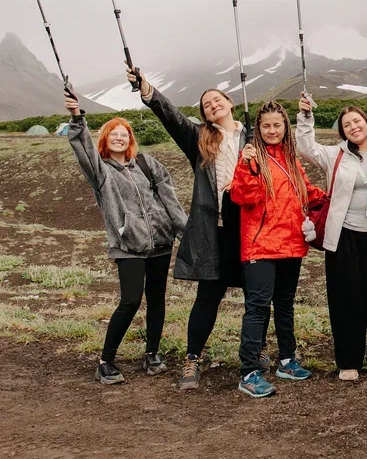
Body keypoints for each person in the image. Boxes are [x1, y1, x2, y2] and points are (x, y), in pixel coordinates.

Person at [129, 67, 253, 391]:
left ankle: (254, 355)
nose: (212, 105)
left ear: (230, 102)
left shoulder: (252, 135)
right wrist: (147, 89)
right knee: (207, 297)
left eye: (216, 99)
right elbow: (171, 117)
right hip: (217, 231)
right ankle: (193, 358)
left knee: (257, 294)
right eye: (205, 104)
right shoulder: (200, 139)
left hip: (251, 231)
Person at [65, 94, 186, 385]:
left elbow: (170, 200)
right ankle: (106, 361)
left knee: (157, 300)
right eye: (113, 134)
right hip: (128, 246)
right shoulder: (101, 171)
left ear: (130, 140)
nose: (119, 138)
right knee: (130, 301)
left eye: (124, 134)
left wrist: (184, 232)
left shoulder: (146, 164)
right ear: (105, 139)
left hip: (159, 243)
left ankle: (153, 354)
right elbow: (83, 150)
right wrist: (78, 118)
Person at [296, 97, 367, 381]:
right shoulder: (335, 155)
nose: (354, 127)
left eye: (357, 121)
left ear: (366, 123)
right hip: (345, 235)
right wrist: (305, 116)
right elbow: (305, 147)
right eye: (347, 125)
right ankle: (349, 360)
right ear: (342, 132)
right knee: (346, 298)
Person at [231, 100, 325, 398]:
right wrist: (246, 166)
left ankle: (287, 360)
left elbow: (308, 193)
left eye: (277, 125)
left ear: (286, 128)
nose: (272, 130)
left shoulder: (290, 159)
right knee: (257, 308)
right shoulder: (252, 158)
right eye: (266, 126)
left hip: (291, 243)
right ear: (257, 129)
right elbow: (243, 197)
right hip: (260, 245)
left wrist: (340, 197)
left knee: (285, 305)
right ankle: (249, 372)